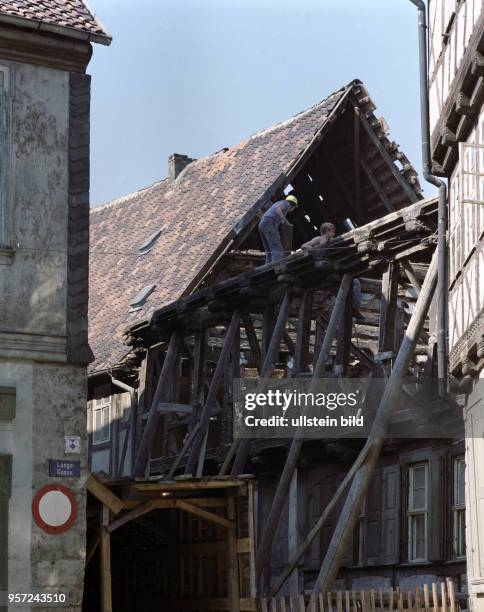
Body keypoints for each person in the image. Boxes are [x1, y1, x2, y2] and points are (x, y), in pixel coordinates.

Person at [301, 222, 365, 322]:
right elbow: (304, 246)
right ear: (327, 231)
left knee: (356, 281)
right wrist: (315, 249)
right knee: (354, 282)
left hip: (333, 268)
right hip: (321, 267)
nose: (334, 233)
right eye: (333, 231)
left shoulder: (333, 241)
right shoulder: (318, 239)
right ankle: (350, 308)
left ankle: (353, 308)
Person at [259, 194, 298, 264]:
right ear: (293, 205)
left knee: (269, 250)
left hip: (262, 224)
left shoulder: (279, 203)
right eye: (294, 208)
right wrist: (286, 221)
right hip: (269, 223)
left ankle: (267, 267)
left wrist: (277, 234)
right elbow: (278, 209)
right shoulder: (286, 204)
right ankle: (275, 267)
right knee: (277, 250)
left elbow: (276, 223)